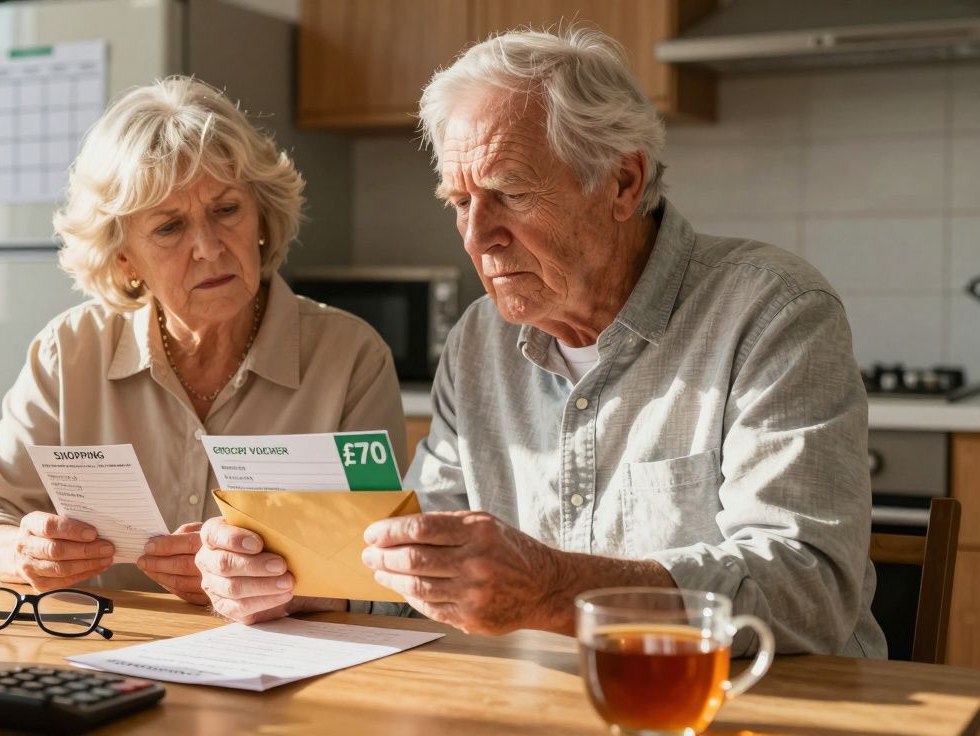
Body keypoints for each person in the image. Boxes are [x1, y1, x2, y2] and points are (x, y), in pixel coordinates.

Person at [196, 28, 887, 657]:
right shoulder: (479, 342)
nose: (477, 237)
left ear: (623, 181)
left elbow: (809, 589)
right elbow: (424, 564)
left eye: (509, 193)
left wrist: (557, 589)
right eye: (460, 203)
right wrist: (309, 583)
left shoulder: (772, 311)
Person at [0, 77, 406, 603]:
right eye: (169, 228)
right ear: (124, 258)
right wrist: (25, 552)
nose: (208, 247)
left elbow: (382, 576)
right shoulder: (69, 353)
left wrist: (264, 588)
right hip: (107, 658)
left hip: (293, 666)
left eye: (226, 210)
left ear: (260, 217)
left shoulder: (350, 360)